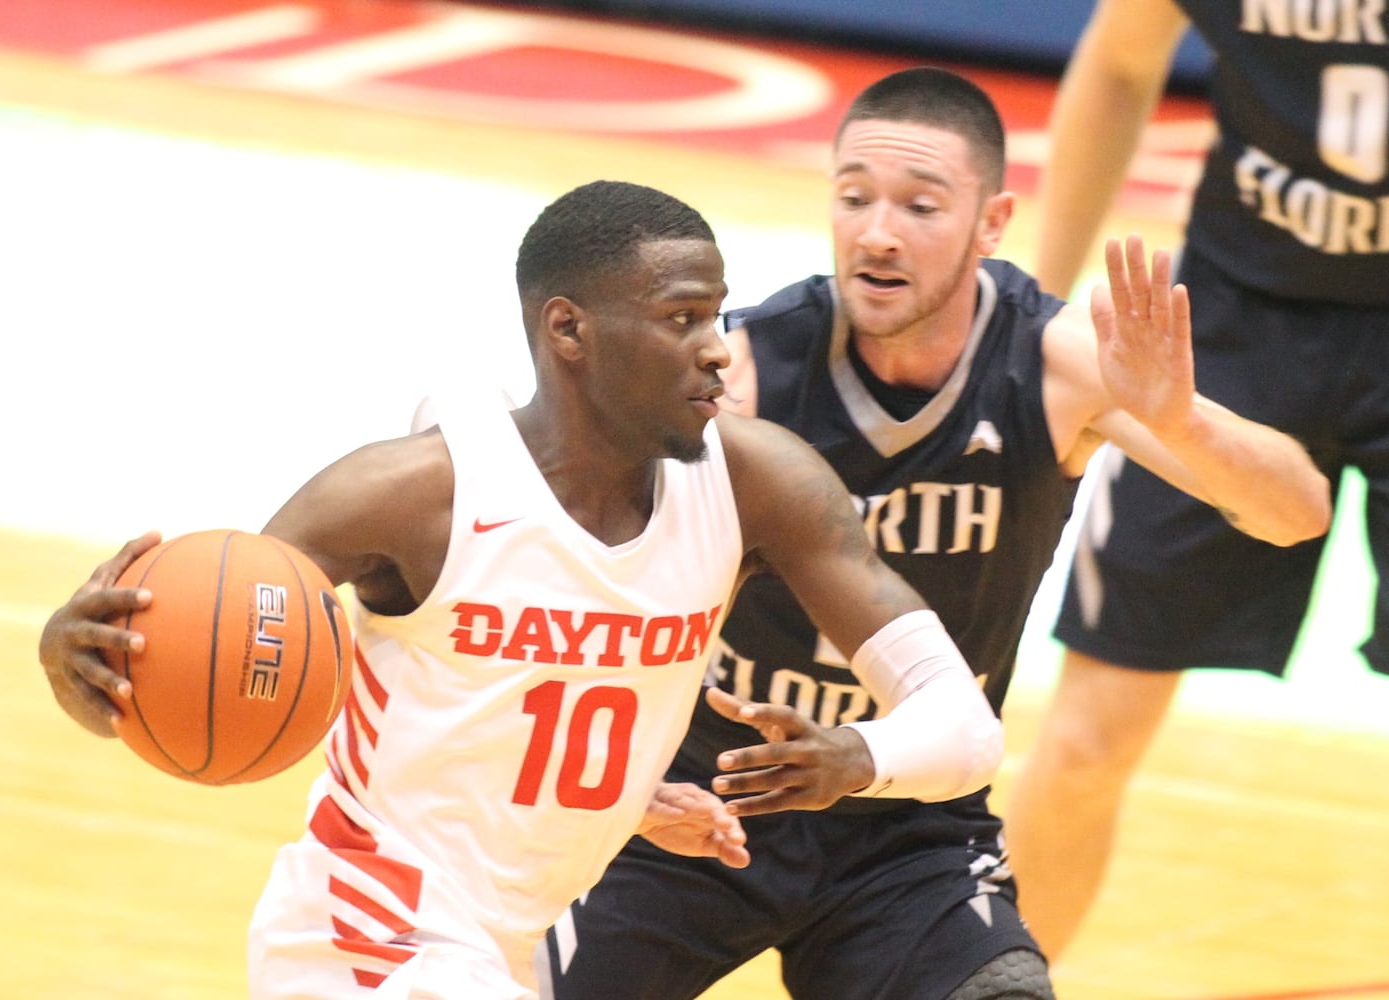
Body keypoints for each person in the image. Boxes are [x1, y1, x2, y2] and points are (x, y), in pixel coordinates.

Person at [38, 179, 1010, 1000]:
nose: (717, 347)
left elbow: (963, 731)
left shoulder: (759, 481)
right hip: (364, 930)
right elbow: (200, 657)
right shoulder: (411, 495)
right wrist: (78, 661)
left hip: (508, 944)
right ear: (569, 331)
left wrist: (851, 754)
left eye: (715, 314)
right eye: (680, 319)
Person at [540, 69, 1331, 1000]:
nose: (877, 231)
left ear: (991, 224)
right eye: (853, 198)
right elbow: (567, 579)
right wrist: (621, 791)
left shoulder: (1053, 362)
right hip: (706, 806)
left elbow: (1294, 514)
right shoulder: (746, 367)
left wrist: (1181, 419)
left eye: (919, 205)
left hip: (909, 835)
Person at [1006, 0, 1389, 962]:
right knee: (1090, 736)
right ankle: (1001, 986)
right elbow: (1120, 64)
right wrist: (1034, 312)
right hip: (1228, 324)